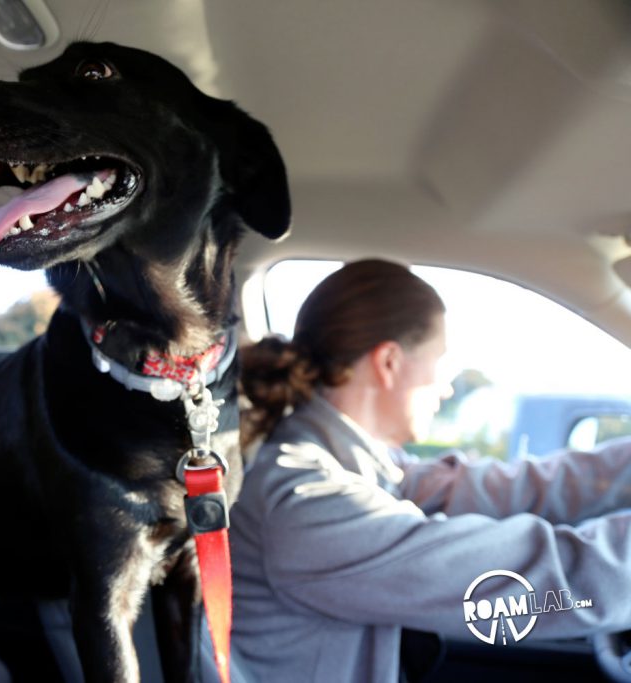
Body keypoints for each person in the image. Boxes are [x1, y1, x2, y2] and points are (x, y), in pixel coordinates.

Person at [229, 258, 631, 683]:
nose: (447, 385)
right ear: (389, 362)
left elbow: (512, 488)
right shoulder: (305, 501)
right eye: (440, 360)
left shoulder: (363, 466)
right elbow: (529, 585)